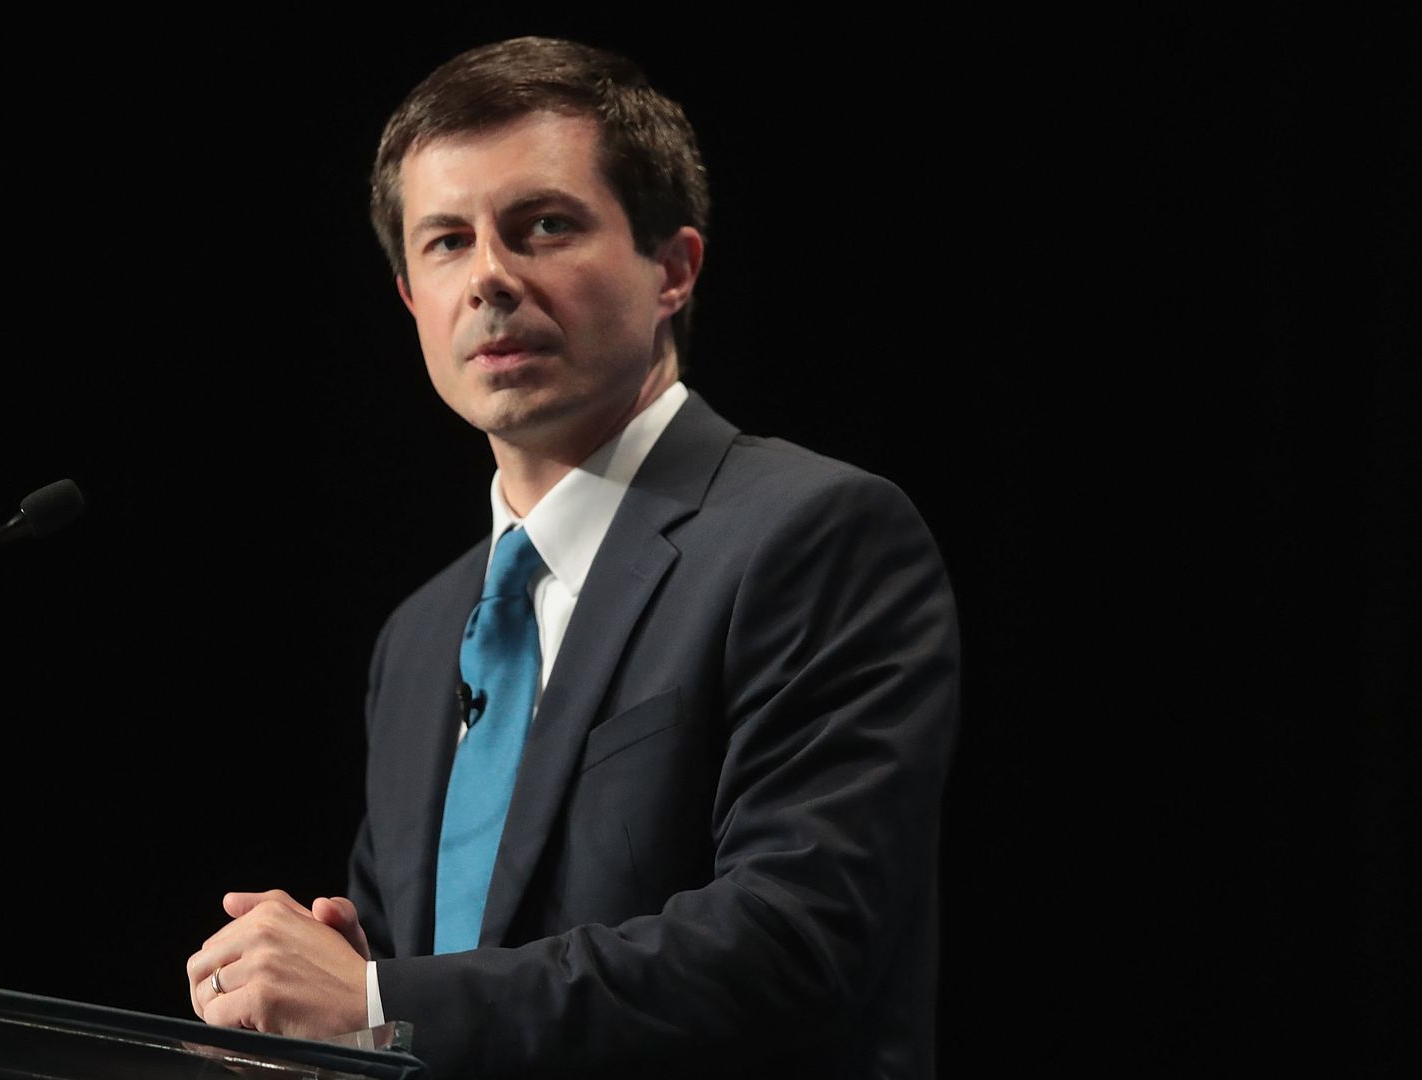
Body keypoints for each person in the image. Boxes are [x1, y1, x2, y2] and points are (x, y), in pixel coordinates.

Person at [186, 37, 960, 1079]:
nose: (491, 279)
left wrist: (381, 998)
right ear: (412, 298)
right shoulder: (418, 638)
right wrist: (337, 1006)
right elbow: (450, 991)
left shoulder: (815, 534)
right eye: (447, 242)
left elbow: (794, 946)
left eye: (543, 225)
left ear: (673, 267)